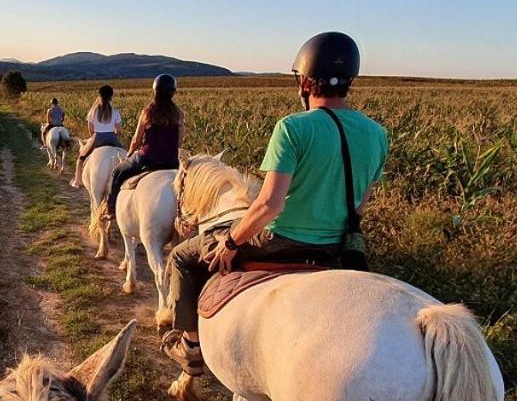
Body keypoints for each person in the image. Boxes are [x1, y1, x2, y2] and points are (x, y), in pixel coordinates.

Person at [160, 32, 388, 377]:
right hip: (336, 247)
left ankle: (191, 345)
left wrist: (233, 240)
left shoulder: (292, 128)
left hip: (280, 241)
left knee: (182, 257)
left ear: (307, 81)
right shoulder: (376, 133)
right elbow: (360, 204)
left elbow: (269, 204)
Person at [102, 74, 184, 222]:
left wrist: (130, 153)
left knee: (117, 172)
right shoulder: (178, 114)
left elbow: (136, 140)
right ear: (173, 91)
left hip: (148, 157)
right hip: (171, 161)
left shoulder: (147, 112)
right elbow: (179, 141)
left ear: (155, 91)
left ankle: (111, 208)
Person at [70, 85, 123, 188]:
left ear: (100, 95)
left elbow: (90, 129)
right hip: (112, 138)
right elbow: (119, 129)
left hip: (97, 138)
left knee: (81, 159)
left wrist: (93, 138)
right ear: (111, 96)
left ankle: (77, 180)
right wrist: (114, 134)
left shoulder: (93, 111)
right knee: (126, 158)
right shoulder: (115, 111)